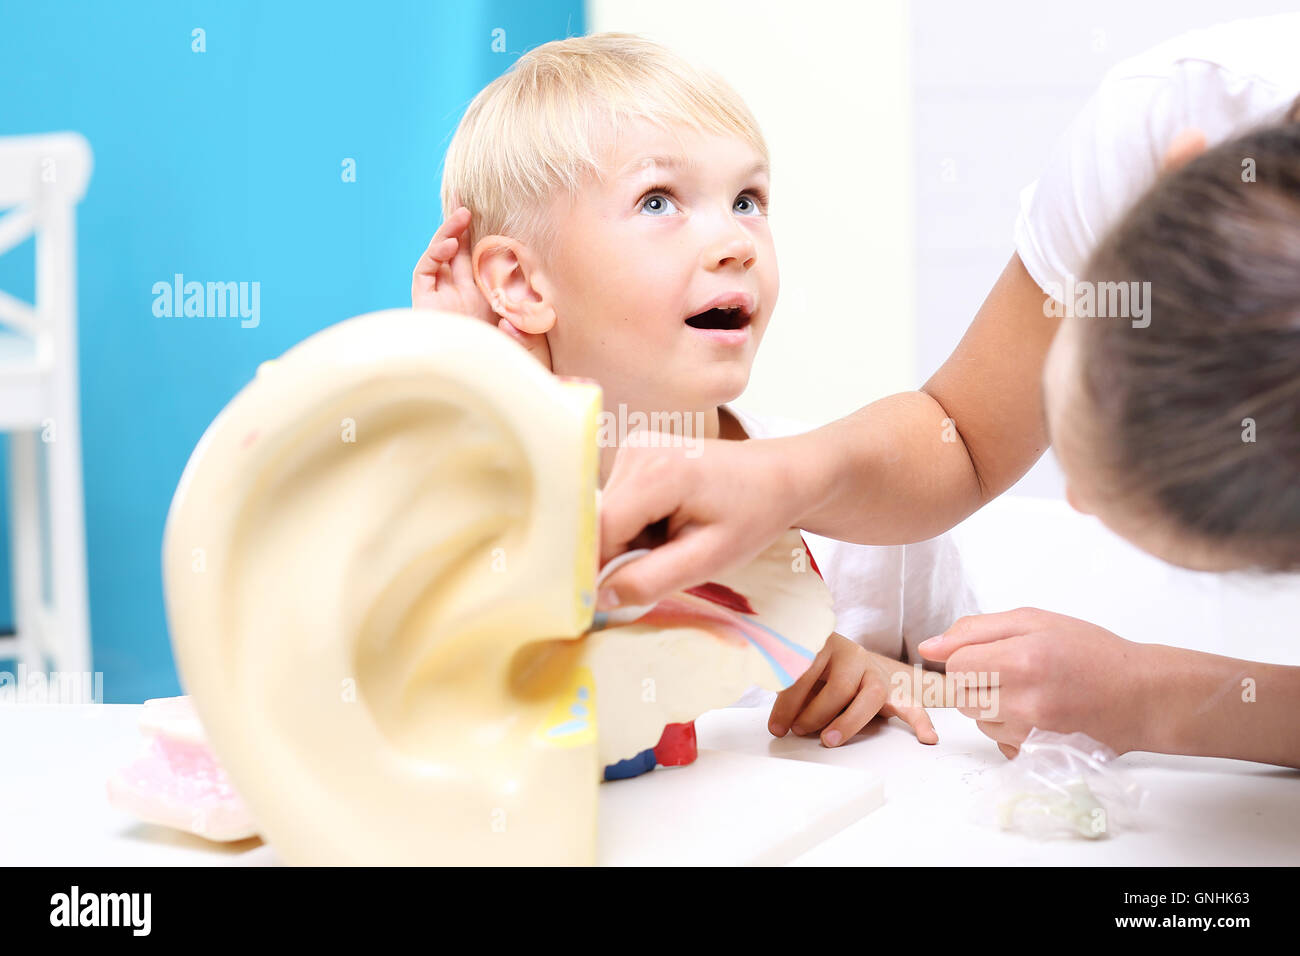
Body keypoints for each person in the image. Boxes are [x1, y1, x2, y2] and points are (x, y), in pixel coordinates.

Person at [583, 17, 1300, 766]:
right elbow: (962, 435)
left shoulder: (880, 573)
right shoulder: (1170, 116)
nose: (1078, 500)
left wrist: (1151, 696)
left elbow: (937, 688)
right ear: (1174, 181)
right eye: (659, 201)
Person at [412, 32, 979, 750]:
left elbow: (998, 708)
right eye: (657, 202)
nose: (736, 241)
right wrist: (451, 388)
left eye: (748, 199)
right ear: (522, 285)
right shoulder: (480, 523)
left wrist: (898, 685)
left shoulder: (873, 520)